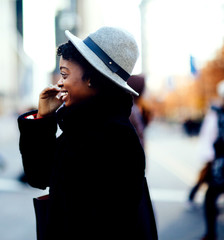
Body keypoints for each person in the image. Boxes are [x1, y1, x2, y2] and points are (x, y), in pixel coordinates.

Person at [18, 26, 157, 239]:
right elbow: (38, 176)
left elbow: (110, 225)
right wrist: (43, 118)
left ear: (91, 78)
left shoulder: (116, 137)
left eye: (65, 74)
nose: (59, 83)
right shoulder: (80, 126)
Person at [188, 80, 224, 206]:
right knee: (206, 179)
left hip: (218, 156)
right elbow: (209, 135)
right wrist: (210, 154)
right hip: (215, 156)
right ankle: (191, 197)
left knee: (209, 182)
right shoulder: (215, 114)